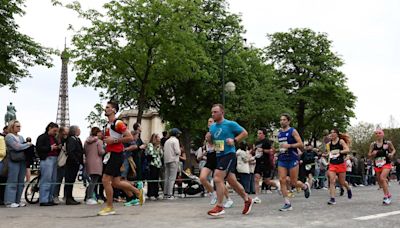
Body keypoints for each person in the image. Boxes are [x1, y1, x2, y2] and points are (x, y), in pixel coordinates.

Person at [98, 101, 144, 216]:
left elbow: (129, 137)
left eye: (108, 107)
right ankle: (138, 192)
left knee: (105, 180)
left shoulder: (118, 123)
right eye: (106, 107)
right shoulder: (108, 124)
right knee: (116, 182)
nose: (105, 109)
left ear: (114, 110)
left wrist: (113, 141)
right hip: (112, 155)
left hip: (116, 154)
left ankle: (110, 207)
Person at [206, 104, 253, 216]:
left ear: (222, 113)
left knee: (217, 178)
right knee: (232, 182)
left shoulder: (230, 124)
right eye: (212, 112)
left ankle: (219, 206)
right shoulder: (212, 127)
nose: (213, 114)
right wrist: (209, 139)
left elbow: (244, 133)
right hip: (219, 155)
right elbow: (213, 143)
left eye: (215, 112)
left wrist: (234, 140)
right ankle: (247, 199)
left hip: (229, 154)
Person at [276, 113, 310, 211]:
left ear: (288, 121)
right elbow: (281, 145)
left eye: (284, 120)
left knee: (293, 182)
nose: (282, 121)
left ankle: (304, 186)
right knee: (282, 180)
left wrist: (290, 146)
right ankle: (287, 203)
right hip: (282, 158)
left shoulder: (292, 131)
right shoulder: (279, 133)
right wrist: (278, 149)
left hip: (292, 158)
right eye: (281, 120)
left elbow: (301, 144)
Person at [199, 118, 233, 208]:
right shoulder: (208, 134)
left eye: (211, 122)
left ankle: (229, 199)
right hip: (210, 158)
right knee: (202, 178)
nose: (209, 123)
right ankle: (213, 193)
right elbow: (207, 146)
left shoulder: (217, 133)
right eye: (208, 122)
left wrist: (212, 142)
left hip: (217, 157)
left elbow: (220, 147)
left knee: (219, 180)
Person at [4, 120, 32, 208]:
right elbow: (16, 147)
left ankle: (17, 200)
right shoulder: (9, 136)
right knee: (12, 181)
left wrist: (25, 145)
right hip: (13, 160)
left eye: (20, 126)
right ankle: (9, 201)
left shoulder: (20, 137)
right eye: (17, 126)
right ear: (12, 127)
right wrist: (28, 144)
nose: (19, 128)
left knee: (21, 182)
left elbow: (21, 146)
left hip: (22, 160)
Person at [368, 129, 396, 205]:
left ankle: (386, 197)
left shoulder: (388, 143)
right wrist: (372, 154)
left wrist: (391, 154)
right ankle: (388, 194)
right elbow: (369, 154)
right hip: (377, 164)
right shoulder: (373, 144)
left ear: (383, 134)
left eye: (379, 133)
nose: (378, 134)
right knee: (380, 182)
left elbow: (393, 150)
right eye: (376, 133)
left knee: (382, 178)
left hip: (386, 163)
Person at [36, 122, 60, 206]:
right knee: (46, 179)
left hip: (54, 159)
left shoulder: (54, 138)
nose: (55, 132)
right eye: (54, 130)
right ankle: (44, 200)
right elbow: (39, 148)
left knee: (53, 180)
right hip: (47, 159)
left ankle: (49, 198)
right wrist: (50, 148)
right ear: (49, 128)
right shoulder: (42, 137)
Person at [326, 128, 352, 205]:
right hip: (332, 164)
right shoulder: (329, 144)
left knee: (342, 182)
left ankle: (348, 189)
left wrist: (340, 152)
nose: (332, 134)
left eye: (333, 132)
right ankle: (332, 198)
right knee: (332, 180)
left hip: (341, 164)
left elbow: (347, 149)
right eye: (331, 133)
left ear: (337, 134)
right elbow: (329, 153)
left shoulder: (341, 141)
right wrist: (327, 155)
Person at [253, 128, 277, 204]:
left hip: (266, 163)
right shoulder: (257, 142)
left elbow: (272, 151)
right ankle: (257, 197)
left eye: (260, 133)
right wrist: (254, 151)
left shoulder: (267, 141)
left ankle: (277, 185)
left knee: (267, 181)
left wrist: (263, 150)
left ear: (263, 134)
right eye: (258, 133)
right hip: (258, 162)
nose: (258, 135)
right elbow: (255, 151)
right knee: (256, 178)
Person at [84, 127, 105, 205]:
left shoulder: (86, 141)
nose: (101, 133)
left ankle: (88, 196)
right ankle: (89, 197)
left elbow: (85, 152)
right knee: (94, 181)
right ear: (97, 133)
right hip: (97, 162)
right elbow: (100, 152)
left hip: (89, 162)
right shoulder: (99, 142)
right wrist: (105, 149)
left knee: (91, 181)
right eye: (100, 132)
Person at [64, 125, 84, 205]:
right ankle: (68, 197)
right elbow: (71, 151)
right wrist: (76, 161)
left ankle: (70, 197)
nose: (80, 131)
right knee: (69, 180)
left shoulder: (77, 139)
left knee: (72, 180)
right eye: (78, 129)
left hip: (76, 163)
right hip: (72, 163)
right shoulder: (71, 139)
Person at [163, 128, 182, 199]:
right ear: (176, 134)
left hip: (166, 160)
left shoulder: (167, 141)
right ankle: (170, 194)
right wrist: (180, 151)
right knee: (172, 178)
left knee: (167, 177)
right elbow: (177, 151)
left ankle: (165, 193)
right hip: (174, 160)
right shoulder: (175, 140)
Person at [53, 126, 69, 203]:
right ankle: (59, 196)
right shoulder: (60, 139)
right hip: (62, 161)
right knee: (59, 179)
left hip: (62, 161)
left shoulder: (63, 139)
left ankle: (57, 195)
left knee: (59, 180)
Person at [146, 133, 163, 200]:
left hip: (158, 164)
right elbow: (151, 153)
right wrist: (157, 150)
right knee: (152, 179)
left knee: (156, 179)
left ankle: (156, 193)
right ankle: (150, 194)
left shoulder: (159, 146)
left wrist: (159, 149)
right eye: (158, 137)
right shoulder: (150, 145)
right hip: (152, 164)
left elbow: (161, 154)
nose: (159, 139)